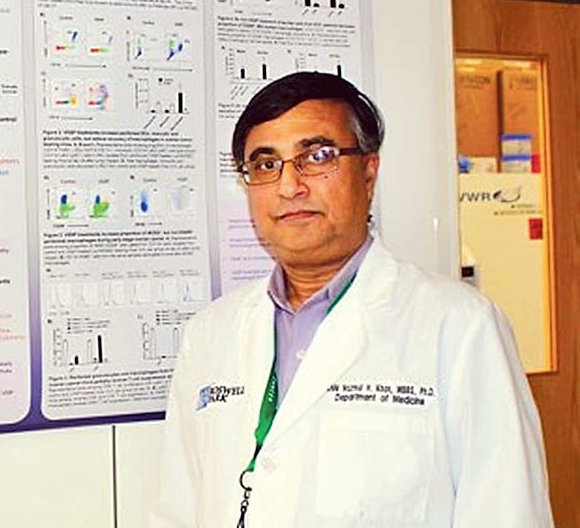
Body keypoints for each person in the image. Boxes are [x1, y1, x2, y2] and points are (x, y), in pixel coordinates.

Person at [150, 72, 552, 527]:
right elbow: (177, 510)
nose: (289, 186)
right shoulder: (210, 333)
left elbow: (508, 511)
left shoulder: (461, 326)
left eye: (316, 156)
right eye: (265, 164)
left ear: (369, 171)